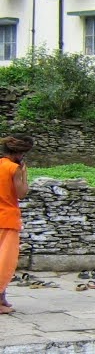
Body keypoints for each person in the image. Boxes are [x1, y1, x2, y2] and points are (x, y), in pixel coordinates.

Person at [0, 135, 33, 315]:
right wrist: (24, 174)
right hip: (7, 218)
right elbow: (21, 193)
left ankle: (2, 298)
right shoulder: (14, 168)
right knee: (5, 261)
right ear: (19, 153)